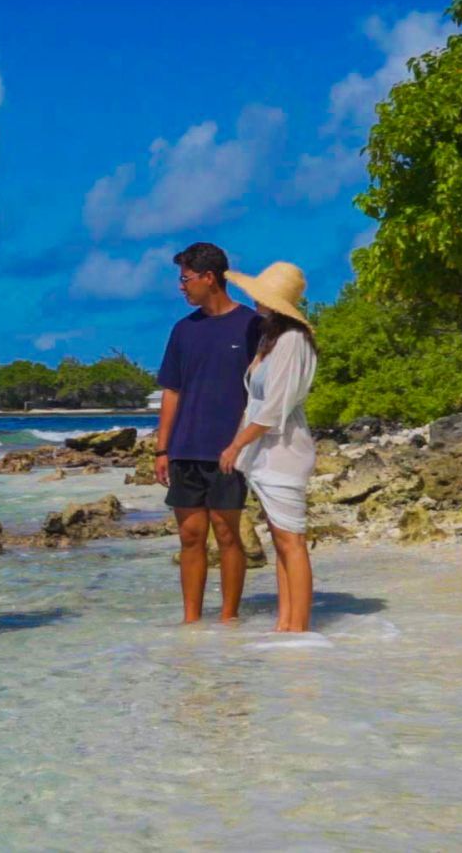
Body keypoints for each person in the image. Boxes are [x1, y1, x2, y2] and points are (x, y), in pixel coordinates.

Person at [155, 242, 262, 623]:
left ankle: (229, 617)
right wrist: (161, 449)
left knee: (227, 533)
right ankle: (191, 621)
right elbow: (172, 390)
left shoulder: (251, 324)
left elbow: (262, 391)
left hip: (229, 450)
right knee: (190, 537)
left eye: (185, 279)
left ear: (209, 277)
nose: (181, 287)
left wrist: (245, 442)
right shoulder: (183, 330)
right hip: (185, 448)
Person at [218, 263, 318, 632]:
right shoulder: (272, 338)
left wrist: (234, 446)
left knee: (292, 541)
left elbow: (273, 409)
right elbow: (257, 403)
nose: (255, 300)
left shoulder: (292, 340)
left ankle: (300, 628)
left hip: (283, 452)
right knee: (281, 540)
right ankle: (286, 624)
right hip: (267, 453)